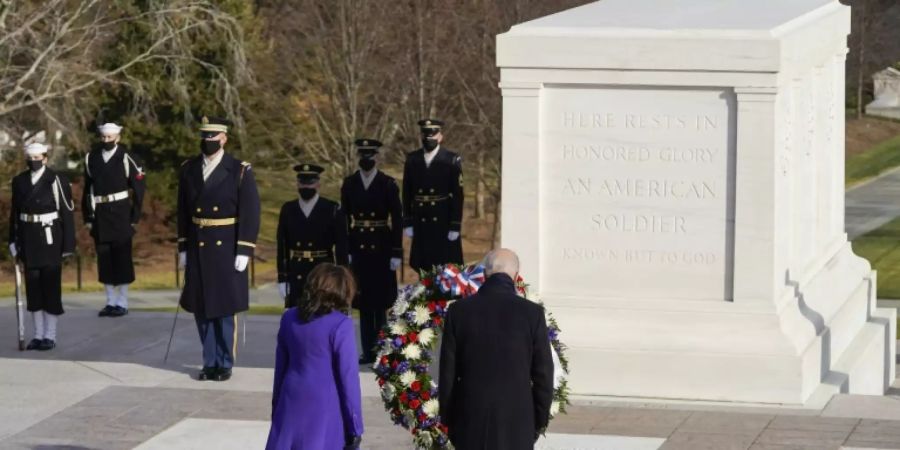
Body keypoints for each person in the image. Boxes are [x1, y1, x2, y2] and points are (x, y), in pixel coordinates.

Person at [439, 249, 553, 450]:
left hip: (470, 417)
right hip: (517, 419)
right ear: (516, 277)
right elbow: (543, 374)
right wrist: (538, 420)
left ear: (484, 275)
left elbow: (448, 374)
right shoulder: (532, 313)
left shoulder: (458, 311)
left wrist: (449, 420)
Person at [176, 116, 260, 382]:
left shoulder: (239, 170)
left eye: (213, 137)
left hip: (226, 247)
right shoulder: (189, 169)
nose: (207, 142)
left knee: (223, 308)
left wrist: (244, 250)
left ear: (224, 138)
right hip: (199, 245)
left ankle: (224, 362)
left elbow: (250, 212)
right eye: (204, 137)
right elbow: (182, 211)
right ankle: (209, 360)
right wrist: (183, 246)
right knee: (202, 308)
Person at [266, 263, 364, 450]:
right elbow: (348, 379)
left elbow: (280, 369)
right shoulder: (341, 324)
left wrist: (277, 407)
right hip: (325, 406)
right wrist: (355, 426)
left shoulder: (289, 318)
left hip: (290, 399)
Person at [8, 143, 76, 351]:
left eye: (38, 158)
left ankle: (50, 335)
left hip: (50, 237)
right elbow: (15, 214)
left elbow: (66, 214)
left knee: (50, 286)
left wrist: (68, 245)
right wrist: (13, 240)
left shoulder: (56, 180)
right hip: (28, 238)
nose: (34, 161)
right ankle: (37, 334)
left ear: (45, 158)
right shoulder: (19, 181)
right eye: (31, 158)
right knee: (33, 288)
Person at [340, 139, 402, 364]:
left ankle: (383, 350)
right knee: (364, 303)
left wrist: (396, 251)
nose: (366, 159)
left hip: (382, 246)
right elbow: (344, 217)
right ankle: (368, 350)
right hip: (359, 246)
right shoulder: (350, 183)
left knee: (381, 302)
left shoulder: (387, 183)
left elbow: (396, 218)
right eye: (363, 154)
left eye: (370, 155)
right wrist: (345, 248)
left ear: (377, 157)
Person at [82, 122, 146, 317]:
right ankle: (110, 301)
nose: (106, 141)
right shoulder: (91, 158)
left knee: (122, 258)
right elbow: (88, 190)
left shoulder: (126, 158)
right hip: (100, 213)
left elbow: (139, 189)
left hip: (120, 213)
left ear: (117, 138)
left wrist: (134, 216)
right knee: (105, 258)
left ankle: (122, 301)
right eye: (103, 138)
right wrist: (88, 216)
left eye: (110, 138)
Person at [276, 163, 348, 309]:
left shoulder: (332, 209)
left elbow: (342, 246)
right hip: (297, 270)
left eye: (310, 183)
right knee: (297, 318)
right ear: (297, 184)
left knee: (323, 314)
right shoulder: (288, 209)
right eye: (302, 183)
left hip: (323, 269)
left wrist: (342, 278)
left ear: (318, 184)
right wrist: (282, 278)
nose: (306, 187)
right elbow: (282, 245)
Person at [402, 119, 463, 272]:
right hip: (420, 220)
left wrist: (455, 224)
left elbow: (458, 194)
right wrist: (407, 221)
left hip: (443, 219)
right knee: (423, 264)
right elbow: (407, 192)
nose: (429, 139)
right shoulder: (413, 159)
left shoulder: (451, 159)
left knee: (444, 264)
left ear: (440, 137)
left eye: (433, 135)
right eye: (426, 135)